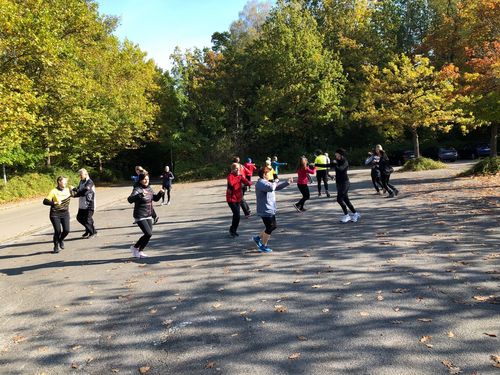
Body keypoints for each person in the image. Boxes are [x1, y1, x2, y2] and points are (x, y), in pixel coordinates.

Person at [252, 167, 292, 253]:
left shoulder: (266, 182)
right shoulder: (261, 183)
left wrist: (287, 183)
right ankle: (263, 246)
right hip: (265, 209)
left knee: (272, 226)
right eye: (268, 173)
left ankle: (257, 238)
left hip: (270, 208)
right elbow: (271, 188)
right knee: (270, 227)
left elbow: (275, 187)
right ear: (264, 175)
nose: (270, 175)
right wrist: (276, 181)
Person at [315, 149, 360, 223]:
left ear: (340, 155)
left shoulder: (345, 162)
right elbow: (327, 165)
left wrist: (335, 164)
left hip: (345, 183)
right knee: (346, 200)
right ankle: (355, 214)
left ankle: (347, 215)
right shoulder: (336, 161)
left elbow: (341, 169)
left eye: (336, 155)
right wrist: (316, 165)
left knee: (339, 199)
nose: (335, 156)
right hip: (339, 183)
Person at [127, 173, 164, 258]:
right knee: (148, 233)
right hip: (140, 215)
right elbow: (130, 200)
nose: (146, 180)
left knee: (149, 235)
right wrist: (139, 195)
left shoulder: (149, 188)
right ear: (140, 180)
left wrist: (160, 193)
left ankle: (140, 251)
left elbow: (155, 199)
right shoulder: (137, 189)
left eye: (147, 179)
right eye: (144, 179)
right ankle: (135, 247)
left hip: (148, 214)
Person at [43, 176, 74, 253]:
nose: (66, 183)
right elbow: (45, 201)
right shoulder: (53, 191)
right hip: (55, 214)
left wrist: (74, 189)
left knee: (66, 230)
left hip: (65, 213)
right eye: (64, 181)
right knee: (57, 231)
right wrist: (54, 203)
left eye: (66, 181)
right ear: (59, 182)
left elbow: (77, 194)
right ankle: (56, 246)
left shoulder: (68, 190)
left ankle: (61, 240)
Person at [226, 163, 251, 237]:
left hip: (238, 198)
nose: (237, 170)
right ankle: (232, 230)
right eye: (236, 169)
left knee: (237, 216)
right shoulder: (230, 176)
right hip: (231, 199)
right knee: (237, 215)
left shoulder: (240, 176)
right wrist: (239, 177)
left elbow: (247, 181)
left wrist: (248, 182)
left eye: (238, 169)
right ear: (233, 169)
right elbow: (232, 183)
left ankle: (233, 230)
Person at [72, 168, 97, 239]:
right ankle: (88, 230)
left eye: (81, 174)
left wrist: (75, 191)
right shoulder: (81, 181)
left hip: (89, 204)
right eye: (79, 175)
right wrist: (74, 192)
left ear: (86, 174)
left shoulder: (90, 182)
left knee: (87, 219)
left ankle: (92, 232)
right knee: (79, 218)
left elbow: (85, 191)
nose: (80, 176)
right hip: (82, 204)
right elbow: (79, 189)